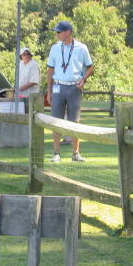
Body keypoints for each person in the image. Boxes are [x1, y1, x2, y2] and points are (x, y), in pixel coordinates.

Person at [46, 20, 94, 163]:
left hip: (74, 88)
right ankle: (56, 153)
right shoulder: (55, 48)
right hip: (58, 87)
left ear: (68, 32)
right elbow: (49, 71)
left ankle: (76, 153)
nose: (56, 34)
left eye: (59, 32)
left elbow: (90, 67)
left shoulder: (81, 48)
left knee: (75, 121)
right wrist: (49, 91)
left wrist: (83, 79)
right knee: (55, 120)